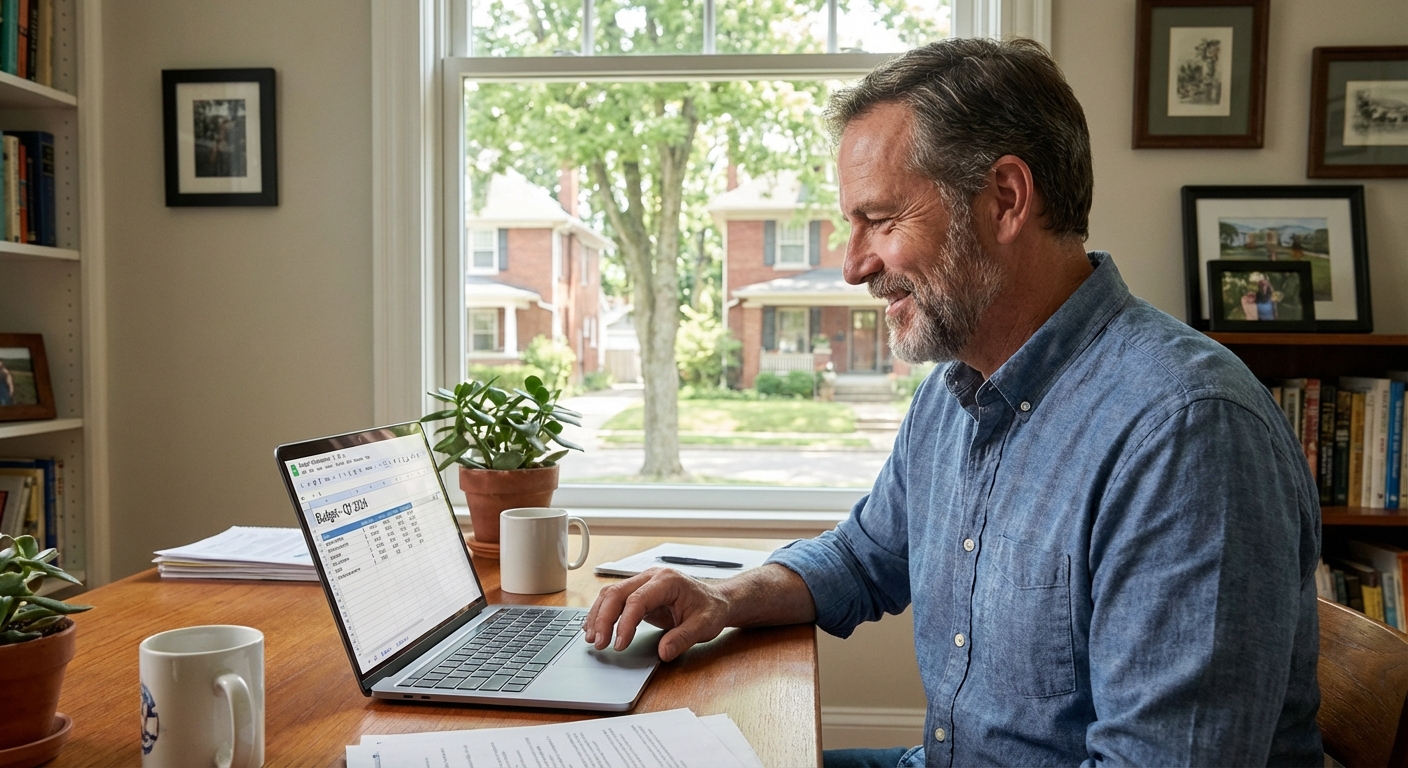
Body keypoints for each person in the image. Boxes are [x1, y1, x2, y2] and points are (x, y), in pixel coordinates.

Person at [585, 37, 1322, 767]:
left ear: (1005, 199)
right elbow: (863, 556)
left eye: (881, 219)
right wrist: (725, 597)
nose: (852, 266)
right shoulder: (955, 390)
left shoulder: (1187, 434)